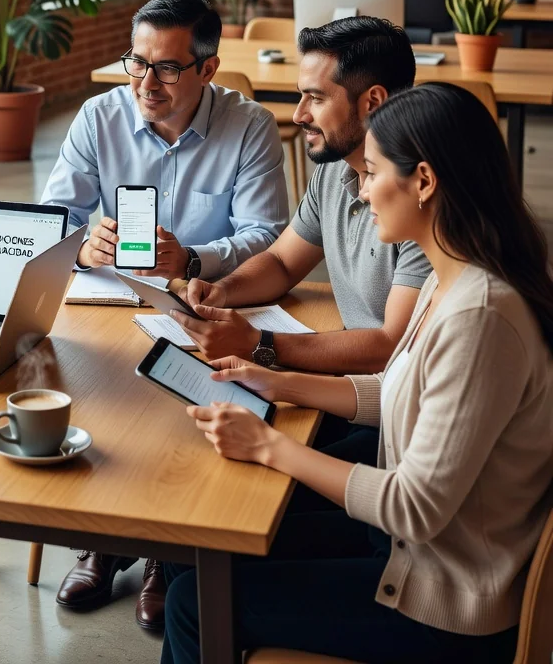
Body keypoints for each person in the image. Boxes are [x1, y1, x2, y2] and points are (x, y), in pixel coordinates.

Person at [160, 82, 553, 664]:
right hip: (410, 553)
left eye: (371, 173)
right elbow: (399, 390)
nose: (362, 191)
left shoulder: (482, 316)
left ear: (423, 181)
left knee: (195, 599)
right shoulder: (455, 277)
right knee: (200, 548)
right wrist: (276, 381)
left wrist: (269, 445)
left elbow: (413, 507)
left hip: (442, 603)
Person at [42, 0, 289, 630]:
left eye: (168, 68)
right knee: (90, 378)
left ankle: (162, 556)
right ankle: (104, 538)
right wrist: (82, 244)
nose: (146, 83)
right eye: (137, 62)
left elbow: (268, 235)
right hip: (111, 301)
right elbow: (50, 225)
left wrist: (193, 258)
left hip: (204, 307)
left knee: (181, 390)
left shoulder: (251, 125)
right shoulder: (98, 118)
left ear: (207, 69)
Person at [172, 16, 432, 376]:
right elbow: (281, 262)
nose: (298, 114)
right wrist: (222, 292)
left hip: (395, 399)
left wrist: (259, 345)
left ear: (372, 101)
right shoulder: (334, 167)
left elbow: (394, 346)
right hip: (352, 381)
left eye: (316, 98)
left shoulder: (423, 197)